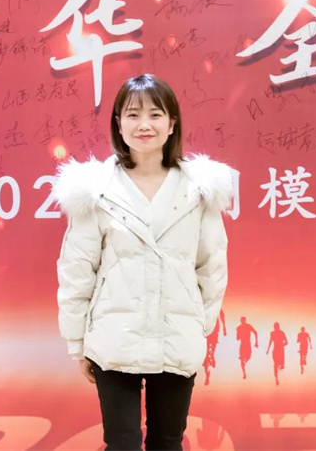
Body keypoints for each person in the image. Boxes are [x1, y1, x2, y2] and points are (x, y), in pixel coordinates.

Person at [53, 74, 235, 451]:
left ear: (172, 124)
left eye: (155, 114)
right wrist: (77, 342)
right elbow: (77, 270)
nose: (144, 124)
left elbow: (212, 266)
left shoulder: (200, 191)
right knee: (121, 443)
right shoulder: (96, 190)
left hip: (177, 339)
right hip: (113, 340)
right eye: (133, 115)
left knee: (167, 442)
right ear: (118, 124)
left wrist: (198, 325)